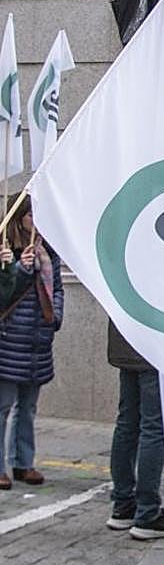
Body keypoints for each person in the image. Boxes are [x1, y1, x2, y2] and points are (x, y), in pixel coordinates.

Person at [0, 198, 63, 489]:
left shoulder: (47, 251)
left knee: (28, 405)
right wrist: (20, 270)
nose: (35, 221)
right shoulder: (6, 250)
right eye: (30, 215)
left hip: (38, 338)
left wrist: (55, 317)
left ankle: (23, 462)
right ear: (18, 217)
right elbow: (5, 296)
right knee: (3, 406)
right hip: (10, 339)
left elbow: (57, 288)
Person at [105, 321, 164, 539]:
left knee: (127, 424)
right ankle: (148, 513)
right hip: (153, 342)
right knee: (153, 427)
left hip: (126, 339)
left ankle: (123, 504)